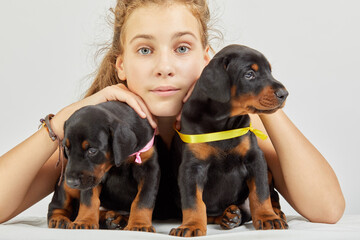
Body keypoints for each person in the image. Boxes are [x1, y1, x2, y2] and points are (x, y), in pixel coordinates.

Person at [0, 0, 345, 225]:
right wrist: (63, 119)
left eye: (182, 48)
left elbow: (328, 209)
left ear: (206, 59)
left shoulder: (232, 132)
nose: (164, 67)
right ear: (121, 65)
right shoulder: (99, 135)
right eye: (145, 49)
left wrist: (261, 108)